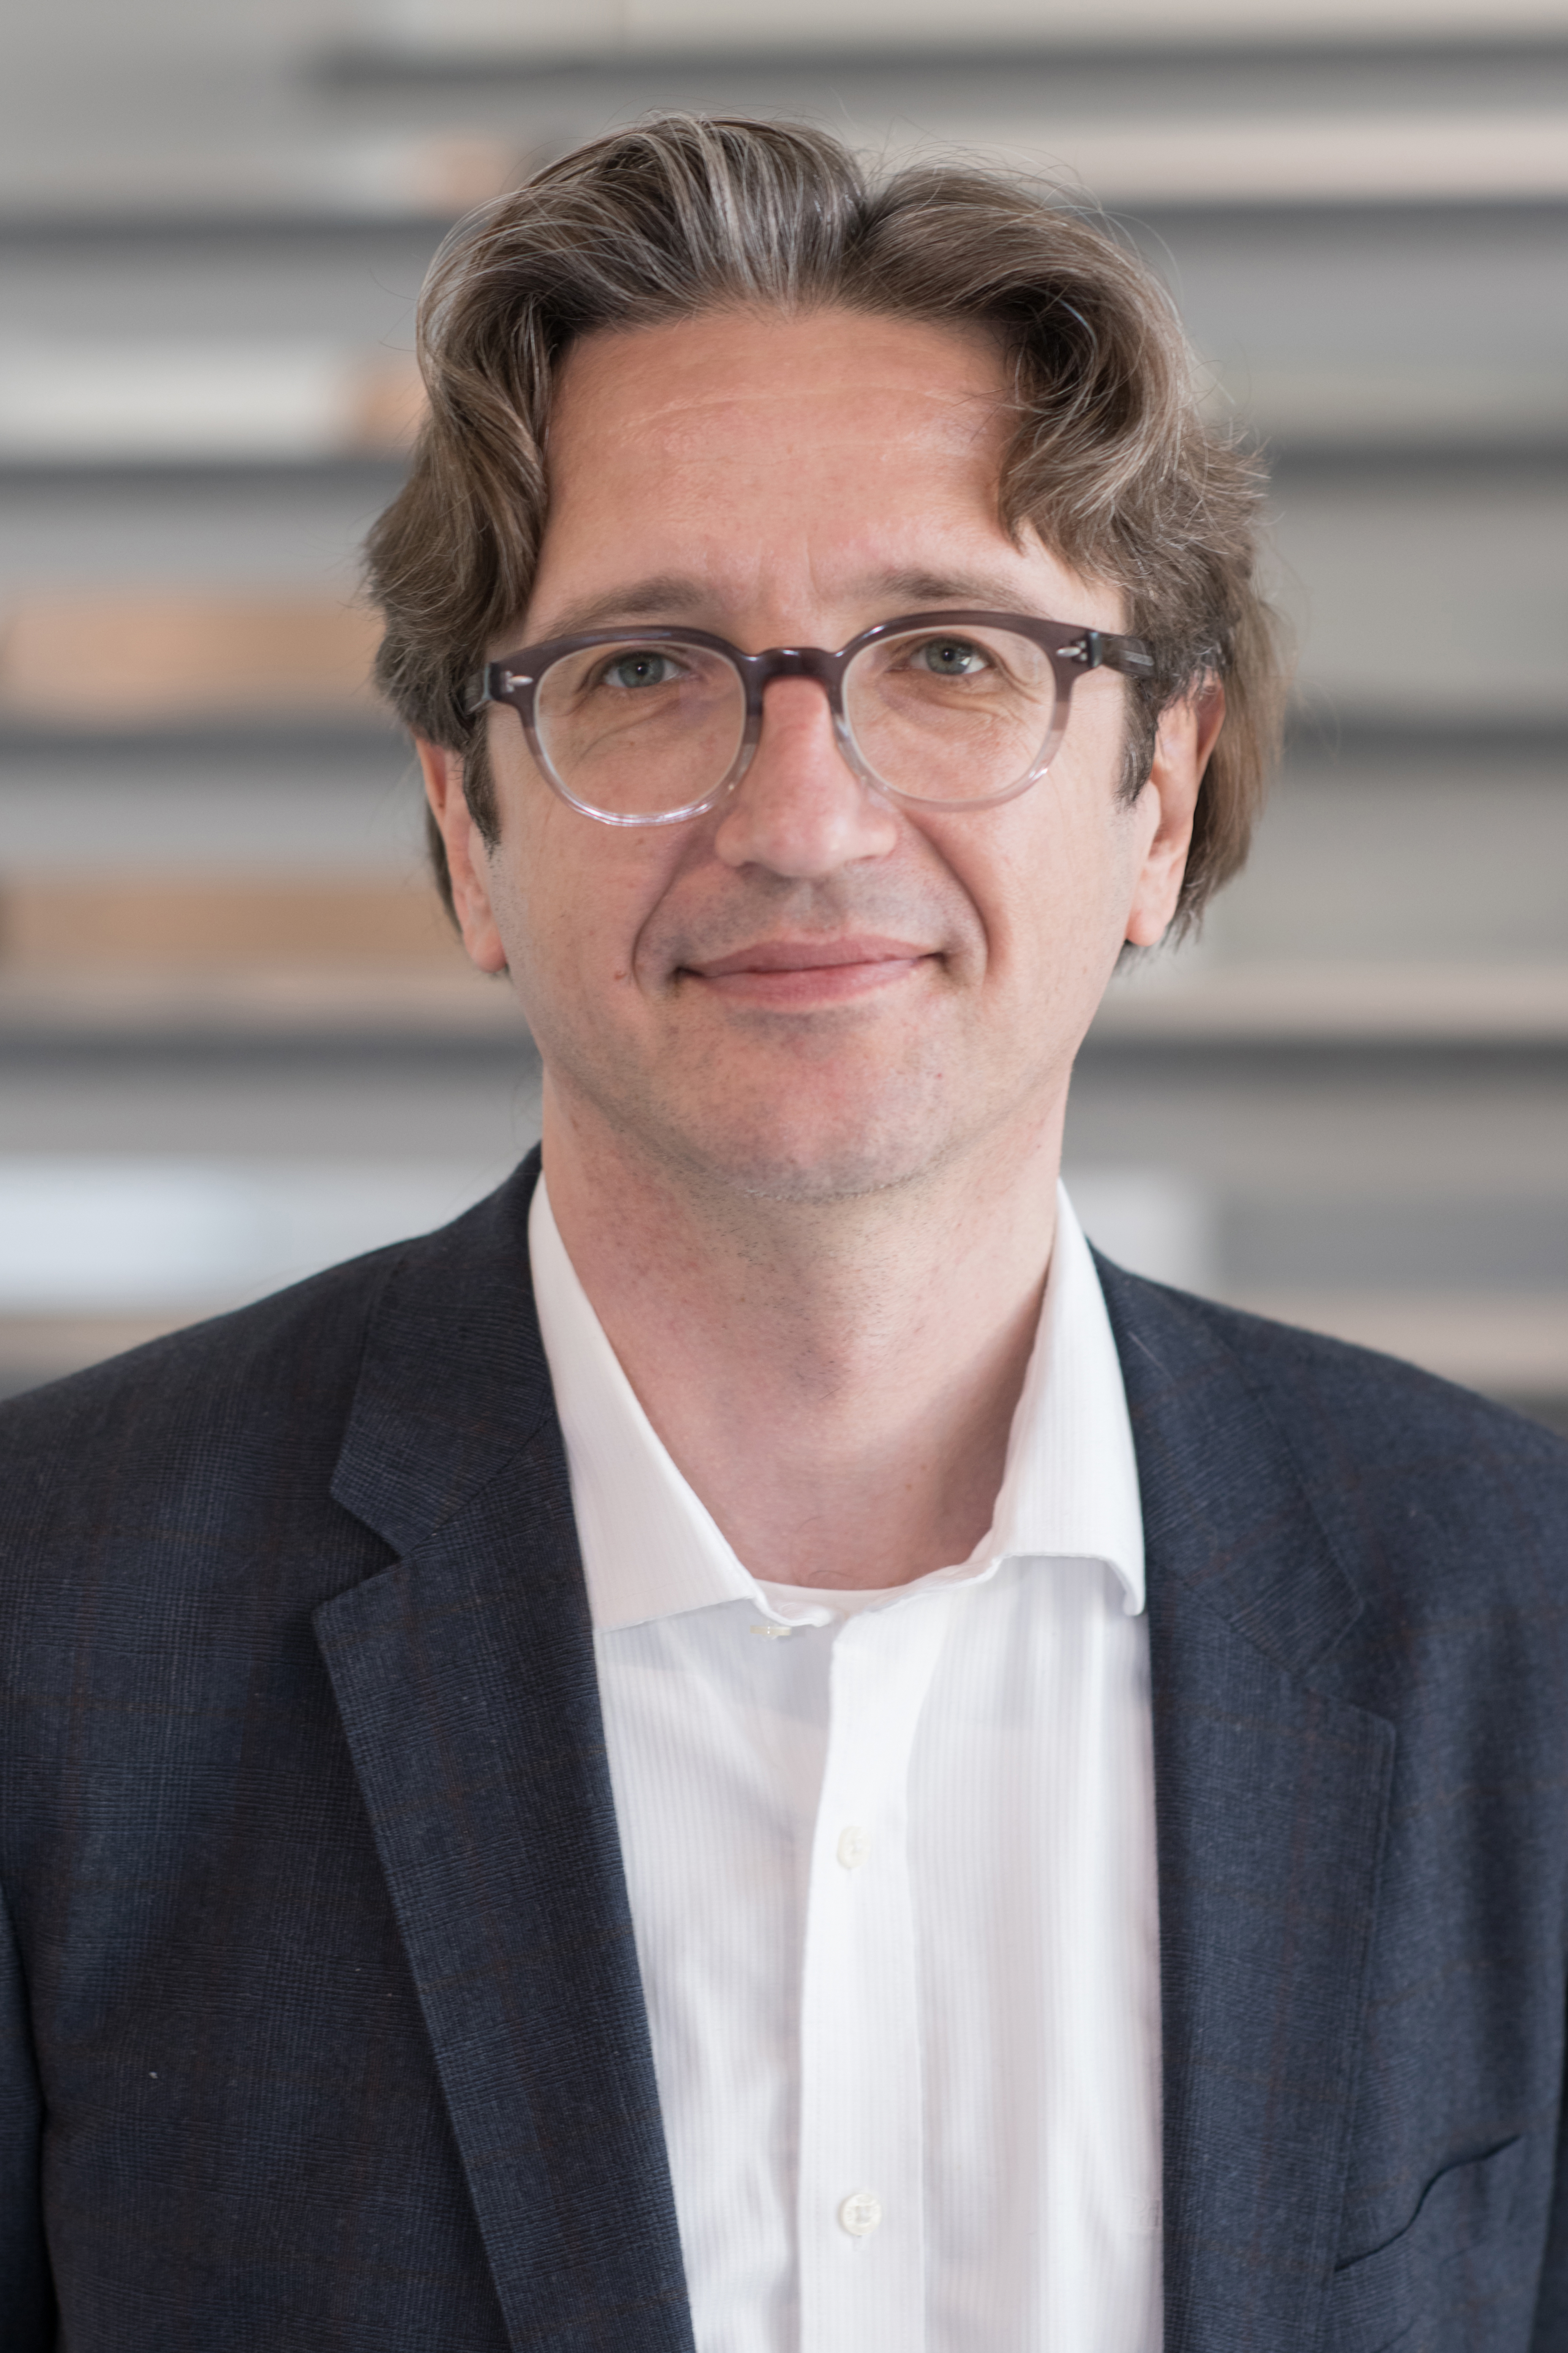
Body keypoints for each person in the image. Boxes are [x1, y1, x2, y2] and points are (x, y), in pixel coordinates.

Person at [0, 116, 1563, 2353]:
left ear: (1166, 792)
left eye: (949, 655)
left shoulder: (1524, 1623)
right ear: (467, 822)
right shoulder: (50, 1638)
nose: (808, 817)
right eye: (646, 667)